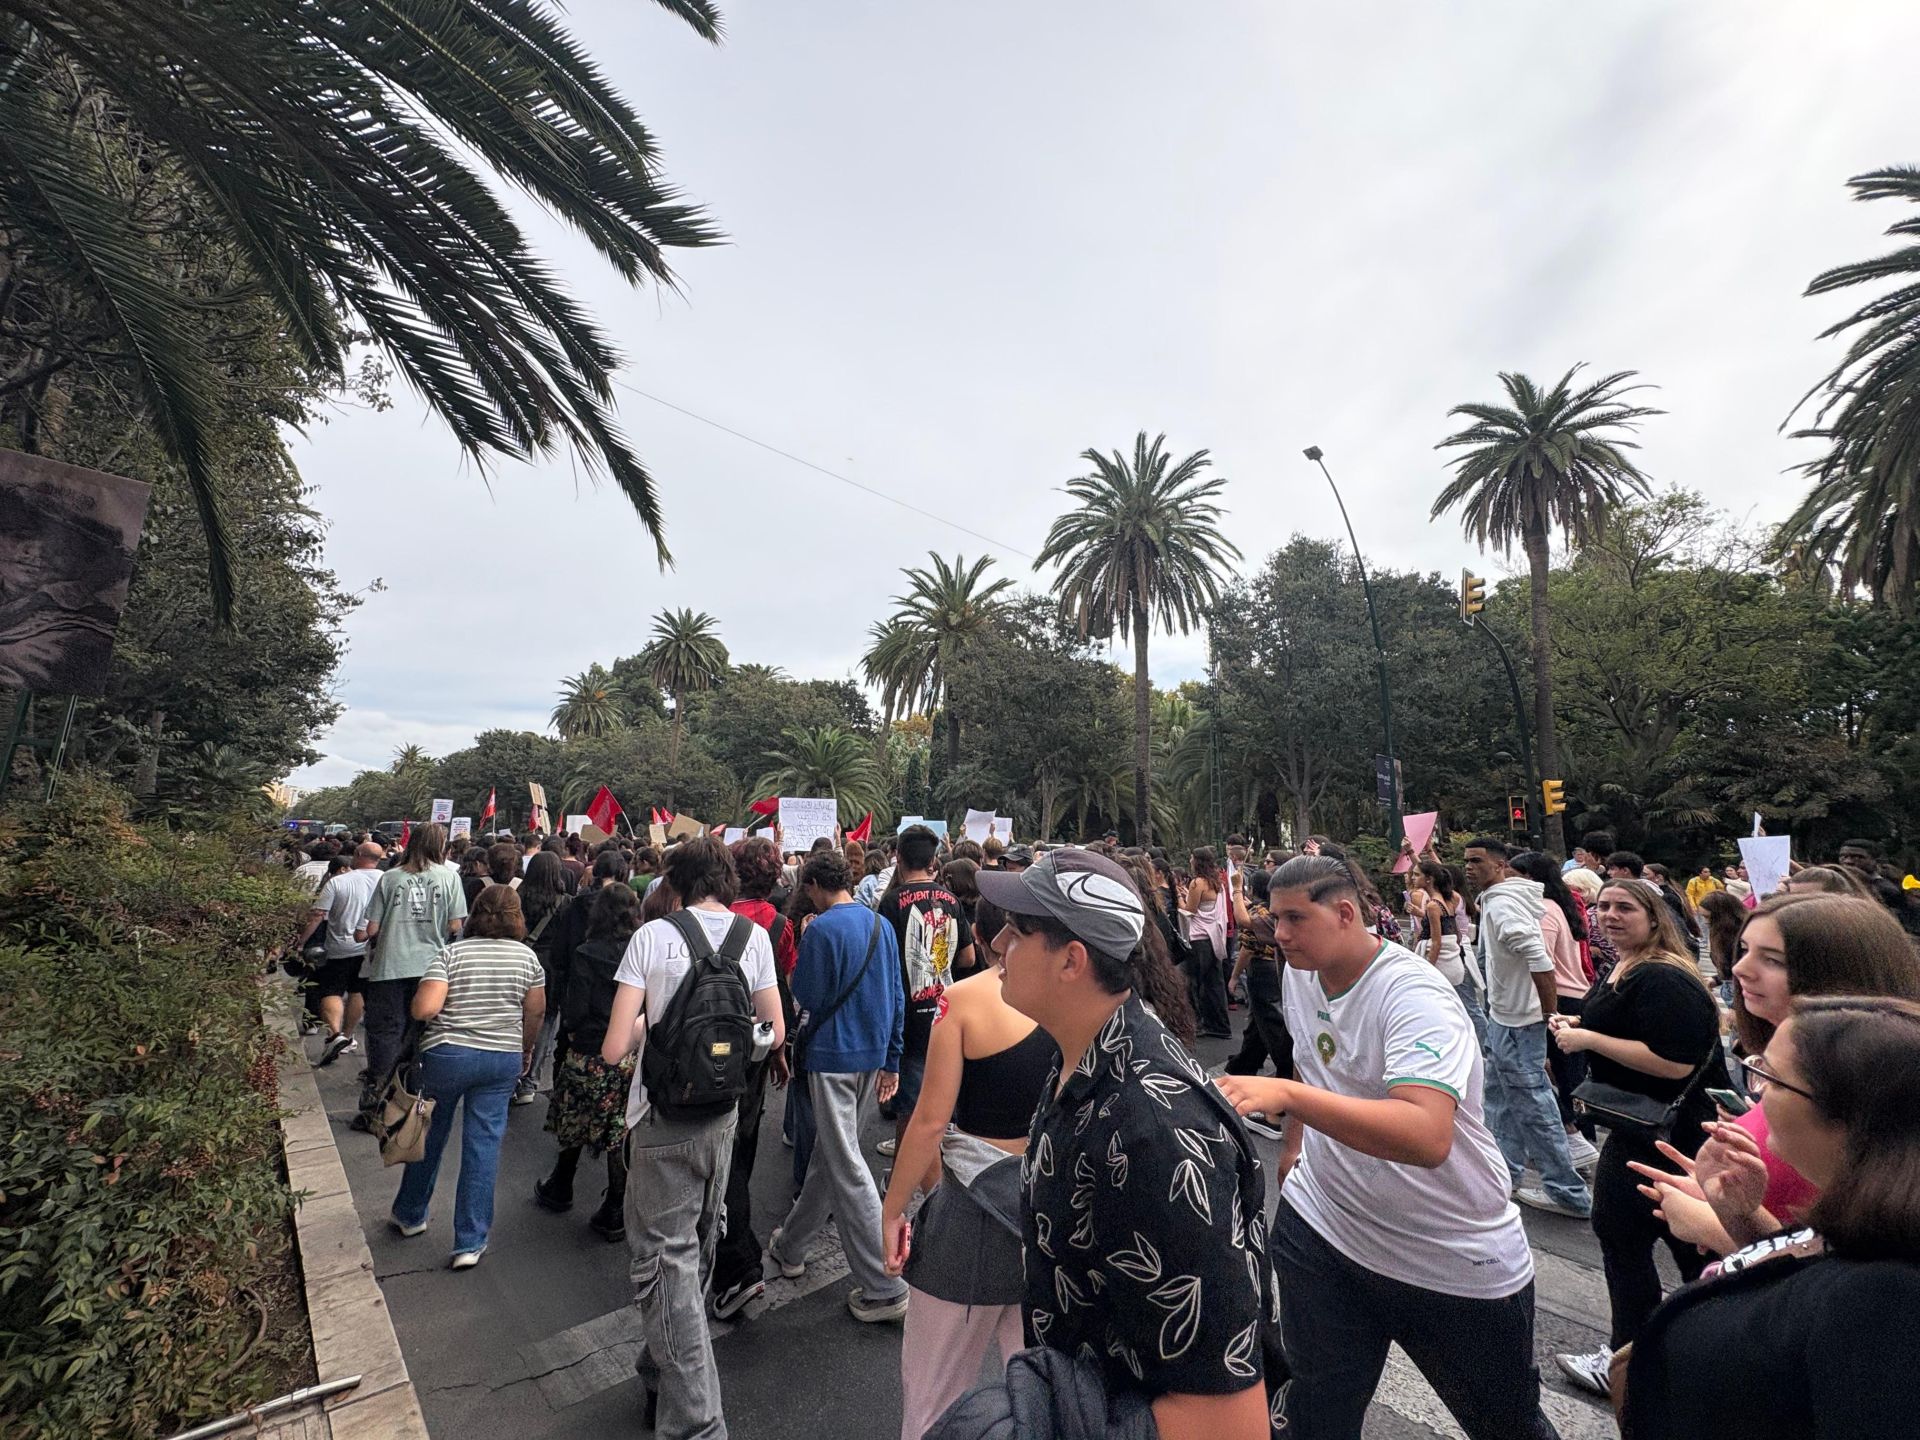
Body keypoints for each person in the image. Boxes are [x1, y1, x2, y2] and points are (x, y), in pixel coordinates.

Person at [1218, 855, 1557, 1440]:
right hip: (1321, 1229)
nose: (1279, 934)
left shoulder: (1413, 995)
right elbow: (1309, 1056)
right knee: (1313, 1410)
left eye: (1295, 918)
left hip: (1447, 1255)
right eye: (1274, 918)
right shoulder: (1301, 968)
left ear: (1345, 912)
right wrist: (1295, 1147)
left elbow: (1426, 1135)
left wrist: (1290, 1100)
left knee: (1506, 1425)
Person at [978, 849, 1279, 1440]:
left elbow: (1228, 1420)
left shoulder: (1155, 1134)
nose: (996, 945)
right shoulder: (1083, 1059)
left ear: (1072, 961)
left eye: (1017, 931)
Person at [1619, 996, 1920, 1438]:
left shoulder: (1886, 1300)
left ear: (1851, 1116)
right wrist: (1741, 1217)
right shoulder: (1864, 1221)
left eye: (1770, 1079)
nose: (1753, 1097)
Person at [601, 837, 784, 1439]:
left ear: (674, 879)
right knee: (698, 1245)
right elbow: (773, 1033)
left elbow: (612, 1047)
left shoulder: (652, 937)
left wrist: (652, 1022)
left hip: (658, 1121)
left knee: (663, 1261)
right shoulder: (751, 938)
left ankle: (700, 1424)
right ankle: (659, 1372)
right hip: (723, 1116)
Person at [1637, 894, 1920, 1258]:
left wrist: (1711, 1224)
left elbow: (1859, 1264)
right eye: (1744, 949)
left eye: (1772, 959)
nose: (1740, 969)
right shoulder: (1803, 1071)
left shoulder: (1881, 1098)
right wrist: (1734, 1205)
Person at [1547, 878, 1727, 1396]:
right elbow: (1627, 1030)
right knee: (1641, 1238)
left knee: (1667, 1243)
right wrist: (1580, 1021)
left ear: (1655, 917)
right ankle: (1651, 1352)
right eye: (1602, 906)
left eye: (1625, 907)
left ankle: (1639, 1356)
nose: (1609, 915)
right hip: (1638, 1127)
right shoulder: (1625, 965)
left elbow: (1674, 1063)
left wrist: (1587, 1037)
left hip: (1675, 1134)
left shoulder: (1663, 978)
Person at [879, 959, 1057, 1440]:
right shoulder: (1079, 1000)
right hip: (1050, 1205)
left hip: (968, 1218)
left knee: (933, 1394)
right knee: (1044, 1392)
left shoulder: (963, 999)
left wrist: (892, 1210)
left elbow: (929, 1121)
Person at [767, 850, 910, 1324]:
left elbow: (805, 994)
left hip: (831, 1057)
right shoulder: (880, 926)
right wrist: (892, 1058)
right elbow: (896, 997)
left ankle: (884, 1284)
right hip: (871, 1055)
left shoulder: (822, 929)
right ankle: (791, 1246)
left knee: (847, 1165)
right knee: (831, 1158)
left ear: (812, 886)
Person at [388, 884, 545, 1269]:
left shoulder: (451, 953)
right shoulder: (528, 959)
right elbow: (535, 1013)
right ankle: (470, 1242)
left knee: (429, 1134)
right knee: (483, 1145)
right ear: (517, 917)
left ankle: (410, 1214)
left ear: (475, 914)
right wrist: (524, 1050)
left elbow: (425, 1009)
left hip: (447, 1056)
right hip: (500, 1060)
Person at [1462, 837, 1591, 1218]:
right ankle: (1505, 1173)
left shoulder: (1503, 905)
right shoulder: (1499, 900)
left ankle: (1568, 1192)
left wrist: (1548, 1014)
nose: (1469, 867)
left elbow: (1539, 957)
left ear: (1500, 865)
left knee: (1533, 1104)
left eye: (1477, 861)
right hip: (1506, 1018)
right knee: (1500, 1099)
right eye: (1466, 861)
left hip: (1519, 1022)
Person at [707, 836, 799, 1321]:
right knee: (740, 1149)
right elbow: (776, 998)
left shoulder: (703, 919)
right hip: (755, 1051)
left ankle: (729, 1259)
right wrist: (780, 1051)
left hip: (700, 1050)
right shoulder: (777, 926)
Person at [536, 882, 643, 1241]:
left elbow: (577, 1006)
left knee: (575, 1114)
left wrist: (569, 1033)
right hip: (628, 1047)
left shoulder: (587, 951)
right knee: (618, 1126)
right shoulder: (640, 950)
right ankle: (616, 1204)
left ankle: (561, 1184)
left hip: (588, 1046)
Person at [354, 823, 467, 1132]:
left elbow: (372, 927)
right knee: (422, 1035)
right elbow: (456, 925)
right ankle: (414, 1100)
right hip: (431, 969)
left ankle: (378, 1097)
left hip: (390, 966)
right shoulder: (450, 878)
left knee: (385, 1034)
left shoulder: (390, 878)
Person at [874, 826, 974, 1161]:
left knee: (909, 1107)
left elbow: (882, 960)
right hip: (944, 1010)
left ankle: (904, 1173)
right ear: (933, 861)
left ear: (898, 858)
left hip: (906, 1016)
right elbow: (968, 958)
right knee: (941, 1098)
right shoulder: (951, 900)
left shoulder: (890, 903)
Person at [1509, 850, 1598, 1174]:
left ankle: (1576, 1143)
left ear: (1531, 878)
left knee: (1549, 1075)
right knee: (1570, 1077)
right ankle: (1582, 1144)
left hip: (1557, 999)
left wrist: (1544, 1012)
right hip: (1574, 995)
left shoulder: (1544, 911)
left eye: (1514, 874)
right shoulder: (1561, 906)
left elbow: (1541, 963)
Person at [299, 840, 384, 1067]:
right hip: (370, 948)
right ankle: (347, 1035)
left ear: (357, 854)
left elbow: (317, 914)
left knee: (331, 991)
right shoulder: (388, 880)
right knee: (357, 991)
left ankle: (335, 1034)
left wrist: (300, 942)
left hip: (338, 947)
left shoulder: (338, 882)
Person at [1223, 866, 1292, 1089]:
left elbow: (1244, 924)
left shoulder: (1264, 913)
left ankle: (1287, 1073)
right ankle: (1243, 1066)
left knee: (1271, 1024)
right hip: (1266, 970)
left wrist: (1235, 889)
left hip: (1264, 972)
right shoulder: (1263, 908)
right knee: (1258, 1025)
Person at [514, 850, 574, 1105]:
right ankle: (530, 1081)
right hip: (551, 967)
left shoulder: (517, 897)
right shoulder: (566, 902)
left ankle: (509, 1077)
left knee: (515, 1017)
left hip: (519, 961)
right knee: (545, 1020)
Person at [1179, 846, 1233, 1039]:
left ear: (1197, 861)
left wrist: (1179, 897)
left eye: (1192, 857)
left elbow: (1189, 910)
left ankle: (1201, 1022)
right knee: (1214, 982)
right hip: (1214, 936)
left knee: (1195, 982)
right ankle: (1220, 1024)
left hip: (1199, 937)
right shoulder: (1217, 882)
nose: (1190, 860)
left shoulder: (1197, 883)